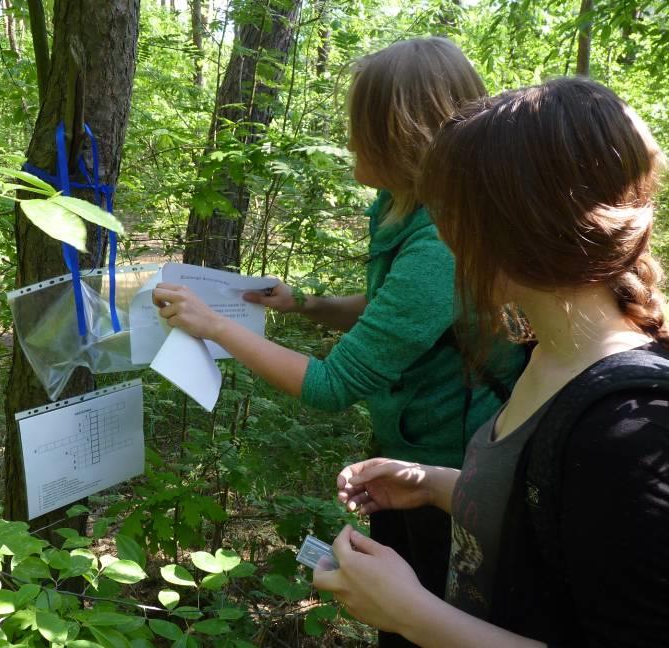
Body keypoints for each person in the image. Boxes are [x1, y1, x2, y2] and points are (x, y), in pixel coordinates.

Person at [152, 37, 526, 647]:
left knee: (425, 621)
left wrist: (214, 325)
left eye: (361, 129)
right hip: (409, 459)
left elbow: (332, 386)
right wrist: (307, 304)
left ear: (402, 136)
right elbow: (395, 312)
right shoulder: (401, 204)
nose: (350, 141)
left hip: (458, 473)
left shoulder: (441, 242)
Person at [313, 77, 669, 646]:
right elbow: (557, 514)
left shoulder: (625, 426)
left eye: (451, 217)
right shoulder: (551, 354)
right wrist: (434, 485)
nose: (445, 242)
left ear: (512, 229)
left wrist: (410, 613)